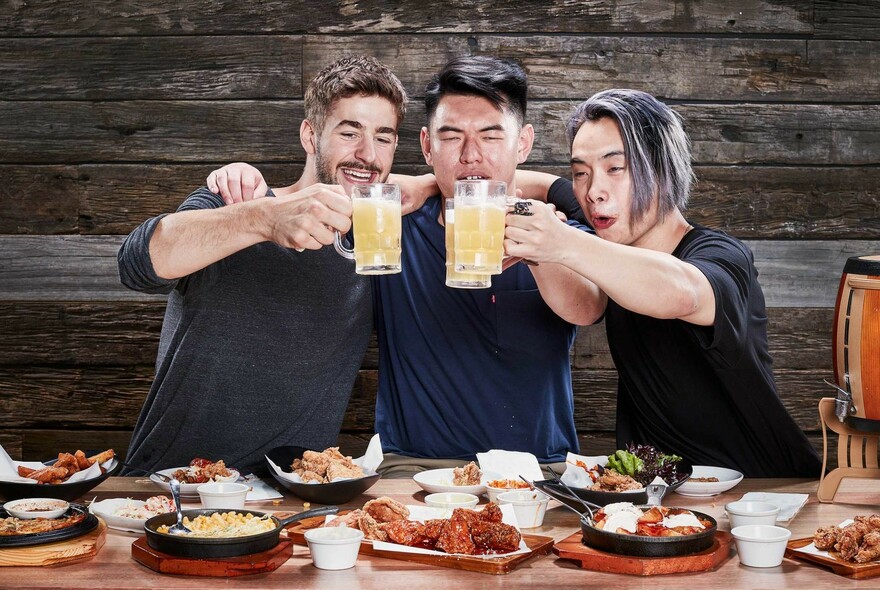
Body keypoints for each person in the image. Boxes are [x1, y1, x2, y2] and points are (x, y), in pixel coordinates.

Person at [210, 57, 605, 477]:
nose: (471, 156)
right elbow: (325, 192)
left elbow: (587, 308)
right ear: (426, 146)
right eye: (451, 137)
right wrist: (243, 182)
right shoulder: (387, 223)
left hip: (541, 468)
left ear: (523, 144)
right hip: (412, 467)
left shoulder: (557, 229)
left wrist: (542, 247)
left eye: (491, 137)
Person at [117, 56, 410, 475]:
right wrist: (262, 218)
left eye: (384, 138)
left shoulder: (376, 239)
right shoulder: (237, 201)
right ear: (310, 135)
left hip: (295, 498)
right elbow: (135, 263)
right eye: (349, 133)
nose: (367, 154)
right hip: (176, 486)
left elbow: (455, 185)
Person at [505, 89, 822, 477]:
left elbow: (682, 293)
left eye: (616, 168)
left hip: (762, 491)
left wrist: (562, 241)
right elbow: (526, 181)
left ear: (662, 168)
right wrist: (434, 185)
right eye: (580, 172)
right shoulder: (608, 221)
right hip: (655, 497)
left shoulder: (721, 255)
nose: (592, 191)